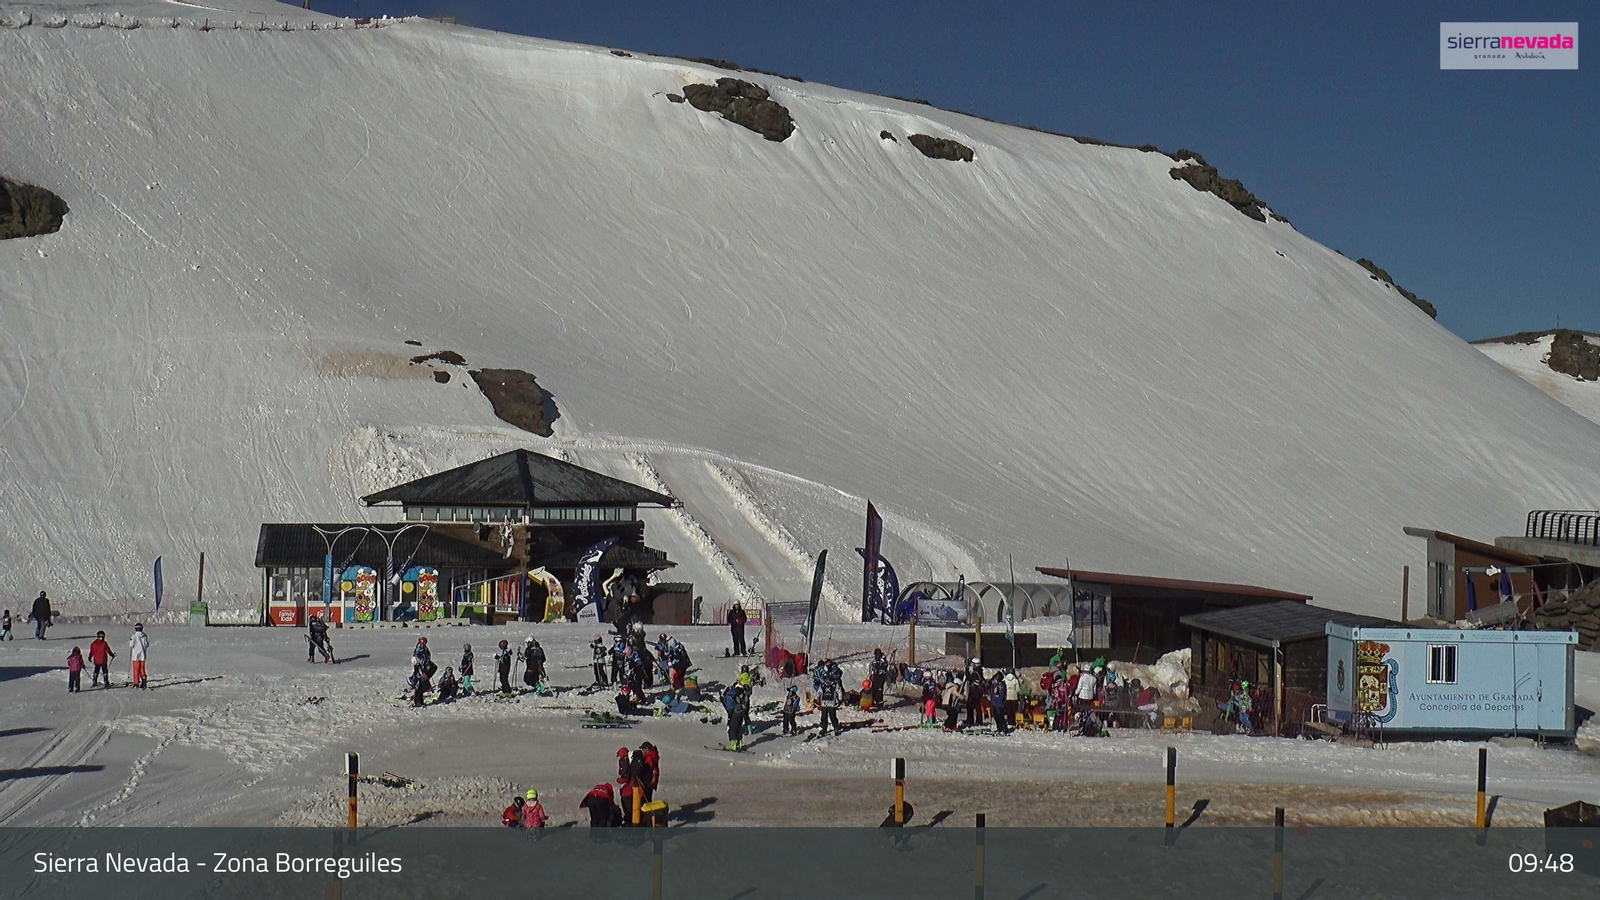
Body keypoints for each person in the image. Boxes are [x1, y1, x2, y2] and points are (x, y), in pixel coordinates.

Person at [722, 681, 751, 750]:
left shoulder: (734, 692)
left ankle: (733, 745)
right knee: (738, 728)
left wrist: (730, 714)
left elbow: (730, 704)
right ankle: (739, 743)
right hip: (742, 712)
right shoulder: (743, 692)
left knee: (732, 728)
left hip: (736, 712)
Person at [817, 666, 842, 736]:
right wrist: (817, 699)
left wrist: (839, 699)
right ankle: (824, 729)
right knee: (824, 717)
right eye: (826, 680)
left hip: (832, 703)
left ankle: (836, 728)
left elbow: (839, 691)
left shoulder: (834, 685)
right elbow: (819, 692)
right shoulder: (822, 685)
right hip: (824, 703)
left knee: (832, 716)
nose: (828, 681)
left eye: (829, 680)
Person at [964, 659, 985, 728]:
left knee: (970, 705)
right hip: (976, 691)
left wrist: (966, 671)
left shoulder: (976, 673)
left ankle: (971, 720)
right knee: (976, 705)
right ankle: (977, 720)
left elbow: (969, 678)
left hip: (975, 691)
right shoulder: (979, 671)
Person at [128, 623, 150, 689]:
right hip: (143, 655)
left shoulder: (133, 636)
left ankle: (136, 683)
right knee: (142, 669)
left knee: (136, 670)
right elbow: (147, 645)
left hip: (136, 656)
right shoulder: (145, 636)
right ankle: (143, 680)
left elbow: (131, 645)